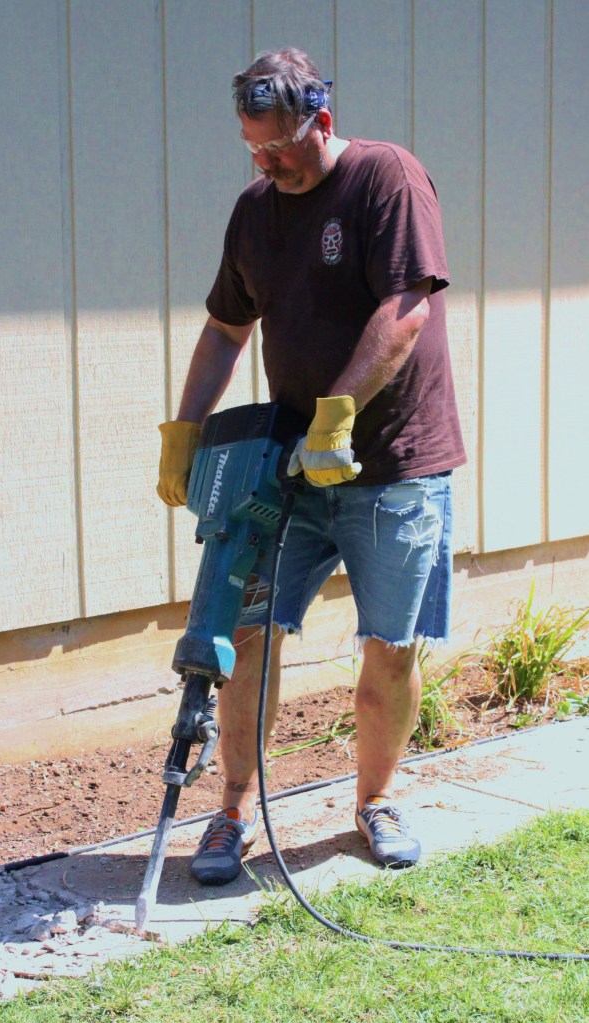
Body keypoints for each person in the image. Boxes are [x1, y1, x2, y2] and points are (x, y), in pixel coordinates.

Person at [156, 48, 466, 884]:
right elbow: (226, 329)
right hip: (289, 469)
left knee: (388, 646)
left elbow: (406, 308)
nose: (266, 164)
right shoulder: (255, 211)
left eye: (280, 148)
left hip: (395, 463)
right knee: (245, 631)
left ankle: (376, 800)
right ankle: (232, 809)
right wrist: (185, 430)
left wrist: (339, 414)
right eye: (253, 149)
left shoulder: (386, 180)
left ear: (321, 122)